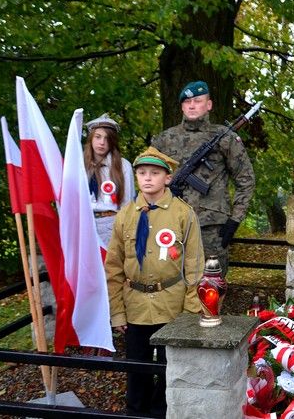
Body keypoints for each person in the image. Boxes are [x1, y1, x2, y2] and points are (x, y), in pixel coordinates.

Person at [105, 146, 204, 416]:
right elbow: (113, 268)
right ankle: (137, 412)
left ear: (167, 178)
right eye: (142, 173)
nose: (147, 178)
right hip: (135, 305)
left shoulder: (183, 214)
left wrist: (190, 311)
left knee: (171, 368)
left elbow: (194, 265)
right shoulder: (125, 215)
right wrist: (117, 312)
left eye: (155, 173)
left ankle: (162, 412)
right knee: (137, 369)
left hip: (171, 304)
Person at [152, 80, 255, 278]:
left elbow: (246, 180)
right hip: (170, 225)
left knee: (211, 286)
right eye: (187, 101)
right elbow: (148, 180)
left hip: (212, 228)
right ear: (182, 106)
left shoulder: (225, 138)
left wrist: (235, 219)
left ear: (209, 105)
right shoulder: (164, 139)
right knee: (170, 284)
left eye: (198, 101)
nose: (192, 105)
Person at [84, 113, 135, 249]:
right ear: (91, 138)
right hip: (84, 224)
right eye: (98, 137)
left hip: (110, 225)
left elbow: (128, 204)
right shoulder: (80, 165)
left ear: (112, 141)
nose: (102, 142)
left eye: (107, 138)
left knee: (109, 262)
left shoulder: (122, 165)